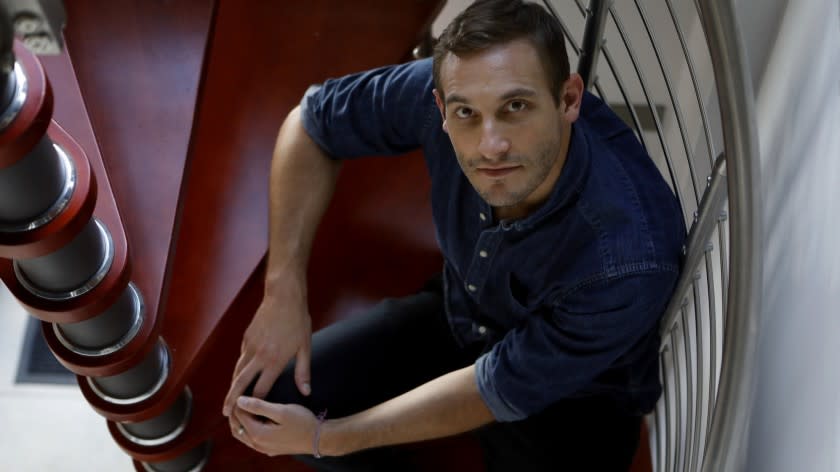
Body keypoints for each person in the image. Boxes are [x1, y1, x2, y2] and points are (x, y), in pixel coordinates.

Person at [221, 0, 686, 470]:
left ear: (568, 99)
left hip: (576, 401)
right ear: (441, 107)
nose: (490, 145)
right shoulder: (439, 90)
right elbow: (311, 121)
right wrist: (283, 289)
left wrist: (331, 439)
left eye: (515, 106)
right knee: (281, 405)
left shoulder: (628, 258)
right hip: (466, 313)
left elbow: (492, 390)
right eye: (465, 113)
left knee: (321, 432)